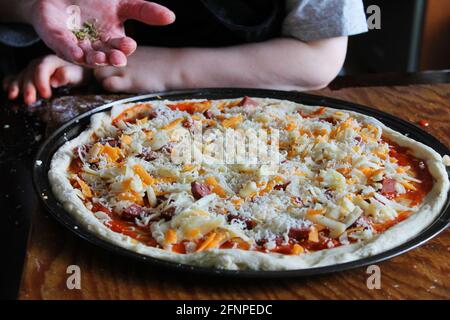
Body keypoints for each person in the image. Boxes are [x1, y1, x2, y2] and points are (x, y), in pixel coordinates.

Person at [1, 0, 368, 105]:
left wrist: (162, 67)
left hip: (252, 121)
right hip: (83, 100)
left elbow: (319, 58)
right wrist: (35, 7)